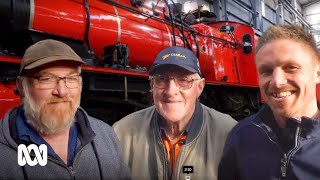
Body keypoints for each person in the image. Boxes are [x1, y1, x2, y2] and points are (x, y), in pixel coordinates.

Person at [0, 39, 130, 179]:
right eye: (46, 78)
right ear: (21, 86)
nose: (62, 91)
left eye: (71, 78)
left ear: (80, 84)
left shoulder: (106, 135)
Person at [113, 46, 237, 180]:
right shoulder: (122, 133)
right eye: (161, 79)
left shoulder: (231, 134)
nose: (171, 91)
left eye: (183, 80)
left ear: (200, 87)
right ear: (151, 85)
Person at [218, 24, 320, 179]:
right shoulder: (240, 137)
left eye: (291, 67)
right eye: (266, 71)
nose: (277, 82)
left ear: (317, 73)